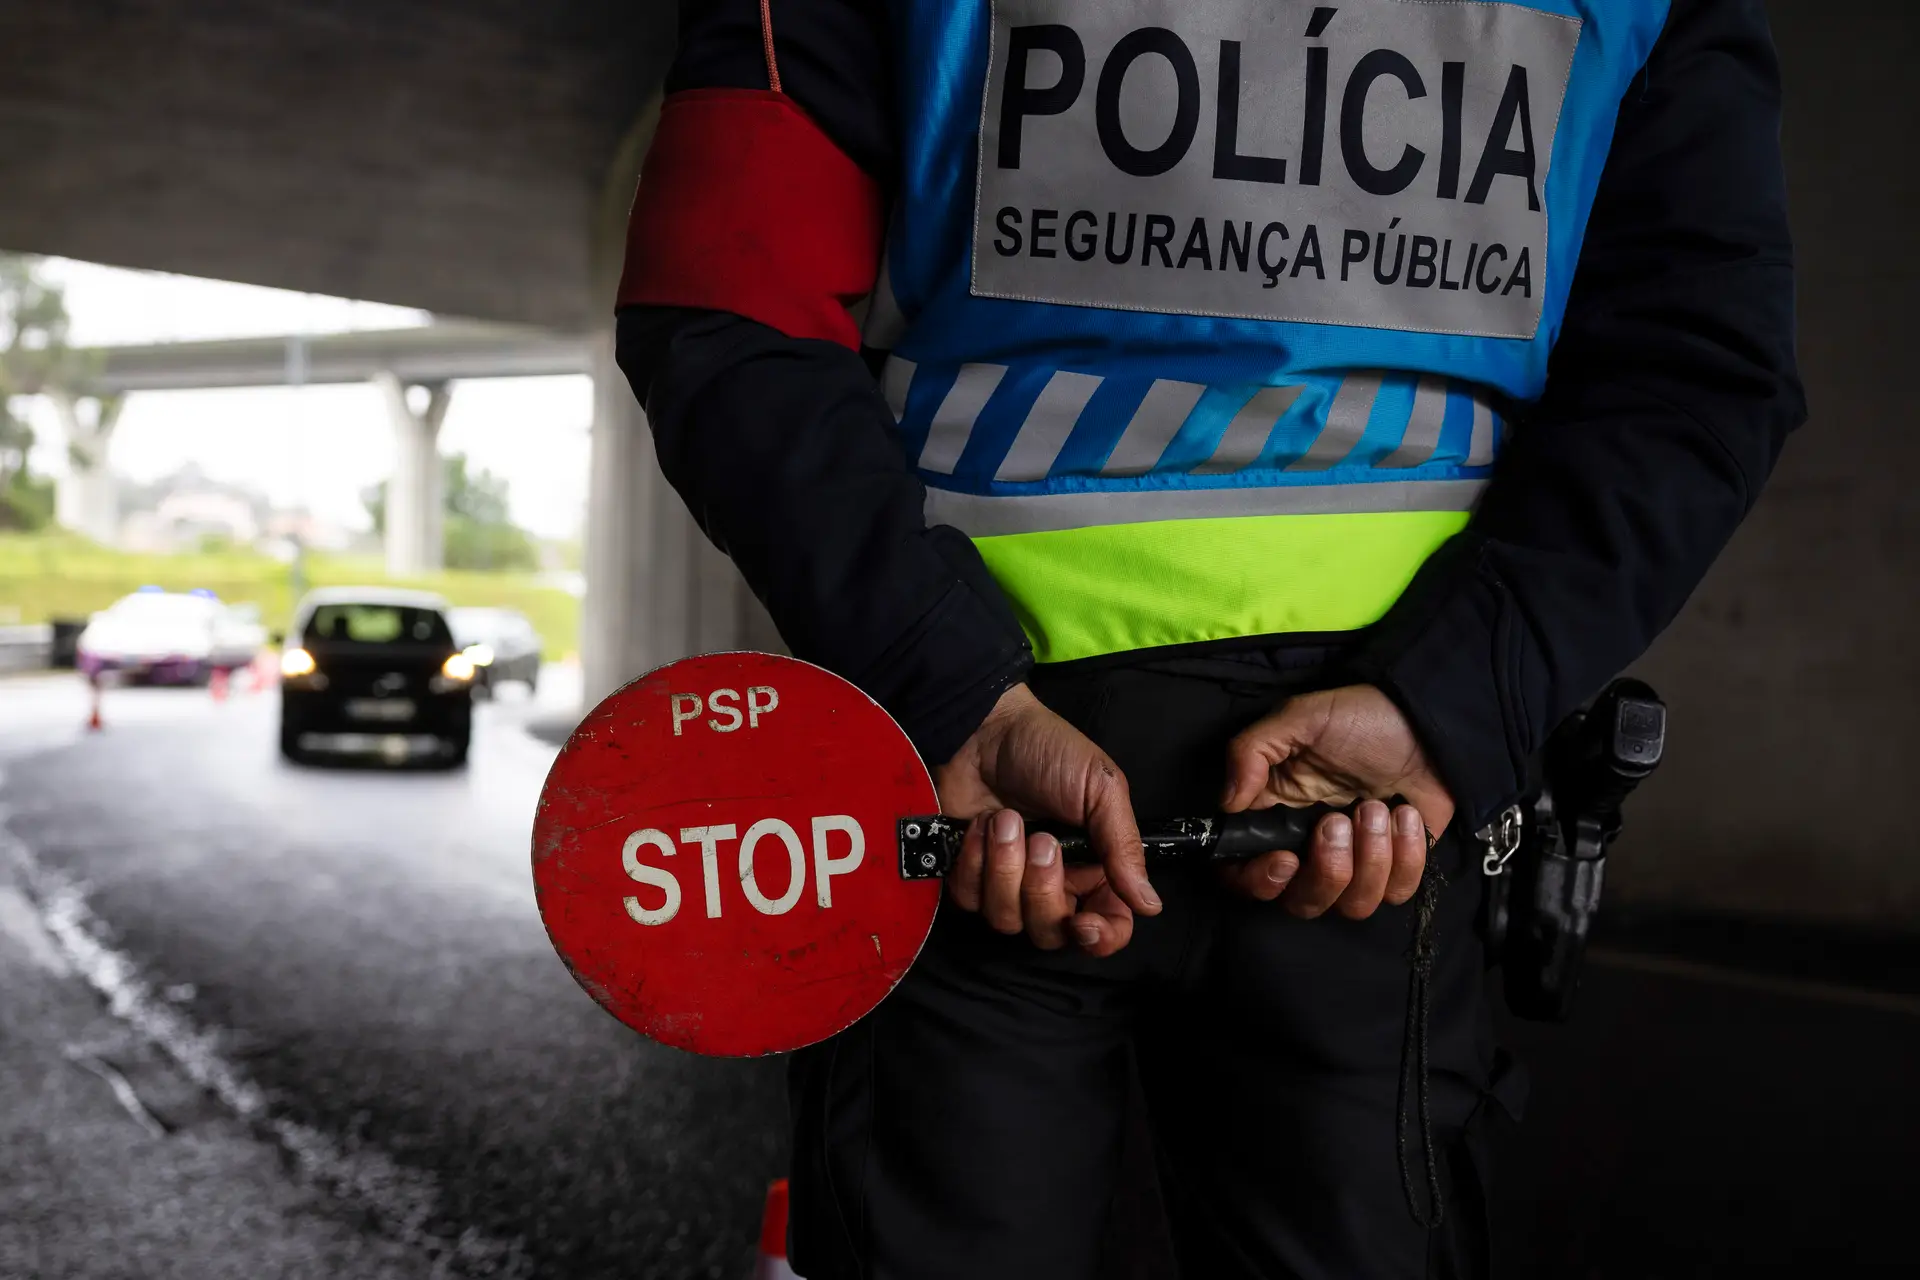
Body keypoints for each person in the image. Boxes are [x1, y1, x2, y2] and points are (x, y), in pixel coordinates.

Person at [614, 1, 1804, 1275]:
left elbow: (728, 288)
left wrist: (942, 683)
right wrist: (1451, 702)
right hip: (1355, 810)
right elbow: (1698, 365)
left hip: (983, 779)